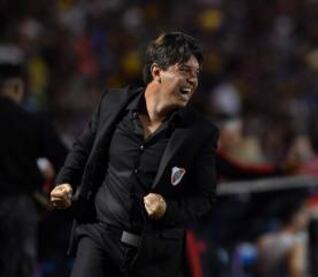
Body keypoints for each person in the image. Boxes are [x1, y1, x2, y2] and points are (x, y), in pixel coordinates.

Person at [50, 32, 219, 277]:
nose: (193, 79)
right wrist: (65, 182)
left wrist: (167, 209)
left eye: (196, 73)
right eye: (184, 70)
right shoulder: (112, 103)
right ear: (157, 72)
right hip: (100, 237)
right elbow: (82, 149)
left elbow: (205, 197)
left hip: (154, 255)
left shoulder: (200, 133)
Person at [0, 44, 68, 276]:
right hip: (21, 205)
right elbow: (65, 160)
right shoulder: (32, 121)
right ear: (17, 88)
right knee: (22, 266)